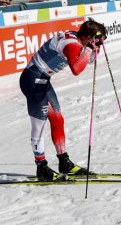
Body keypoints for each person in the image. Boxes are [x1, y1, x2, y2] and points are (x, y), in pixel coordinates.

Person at [18, 19, 107, 181]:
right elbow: (76, 69)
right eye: (96, 38)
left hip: (43, 80)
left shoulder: (78, 38)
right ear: (87, 36)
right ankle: (41, 167)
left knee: (58, 119)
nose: (97, 41)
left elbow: (89, 59)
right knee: (39, 124)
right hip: (32, 81)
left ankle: (64, 161)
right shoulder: (72, 45)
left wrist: (95, 47)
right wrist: (89, 48)